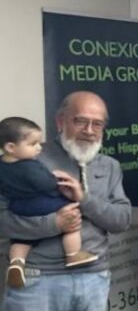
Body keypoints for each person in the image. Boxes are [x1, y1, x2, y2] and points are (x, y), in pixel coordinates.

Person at [0, 91, 132, 311]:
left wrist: (84, 200)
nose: (89, 130)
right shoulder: (28, 161)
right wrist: (53, 224)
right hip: (37, 281)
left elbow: (121, 220)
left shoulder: (109, 166)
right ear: (61, 121)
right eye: (80, 120)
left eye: (97, 123)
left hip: (93, 279)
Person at [1, 117, 97, 288]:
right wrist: (57, 183)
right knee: (72, 212)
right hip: (41, 203)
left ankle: (17, 262)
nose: (39, 147)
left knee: (21, 238)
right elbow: (46, 184)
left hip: (17, 207)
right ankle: (73, 253)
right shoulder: (30, 166)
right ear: (10, 147)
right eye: (33, 144)